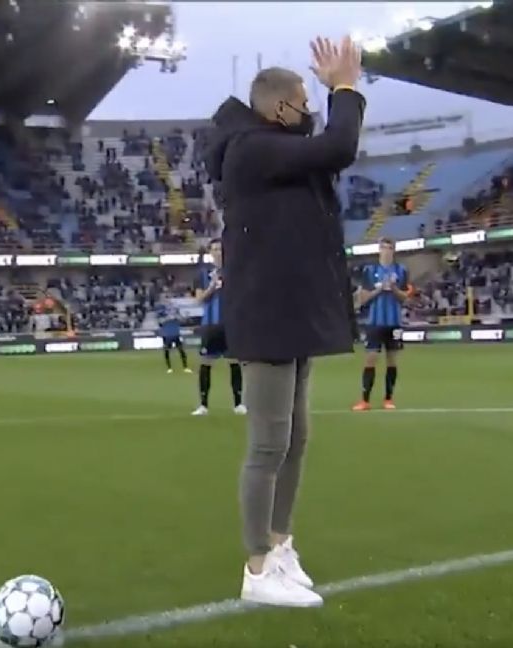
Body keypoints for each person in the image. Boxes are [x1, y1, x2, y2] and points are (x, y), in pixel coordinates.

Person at [203, 36, 364, 607]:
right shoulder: (251, 149)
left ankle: (279, 545)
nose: (310, 112)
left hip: (289, 307)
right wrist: (345, 88)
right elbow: (338, 146)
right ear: (277, 109)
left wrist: (332, 94)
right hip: (268, 312)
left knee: (296, 438)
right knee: (269, 444)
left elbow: (324, 149)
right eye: (303, 103)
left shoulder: (271, 147)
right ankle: (256, 570)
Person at [353, 238, 411, 411]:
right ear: (379, 250)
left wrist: (393, 288)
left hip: (394, 323)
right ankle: (365, 400)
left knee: (392, 361)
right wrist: (379, 289)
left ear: (393, 251)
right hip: (375, 322)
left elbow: (405, 298)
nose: (386, 251)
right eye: (383, 248)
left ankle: (388, 399)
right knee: (370, 359)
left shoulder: (401, 270)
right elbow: (363, 299)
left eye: (389, 248)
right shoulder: (370, 271)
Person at [192, 239, 245, 416]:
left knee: (234, 362)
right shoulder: (203, 274)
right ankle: (203, 405)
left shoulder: (234, 272)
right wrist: (212, 286)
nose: (217, 252)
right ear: (210, 252)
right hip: (210, 325)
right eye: (214, 249)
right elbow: (199, 299)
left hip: (231, 324)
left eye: (220, 249)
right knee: (206, 363)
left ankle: (238, 403)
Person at [158, 300, 190, 374]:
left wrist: (186, 316)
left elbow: (183, 321)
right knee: (167, 352)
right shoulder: (163, 315)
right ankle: (169, 368)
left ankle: (185, 367)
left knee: (181, 351)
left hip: (176, 335)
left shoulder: (177, 316)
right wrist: (168, 318)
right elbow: (160, 323)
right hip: (167, 336)